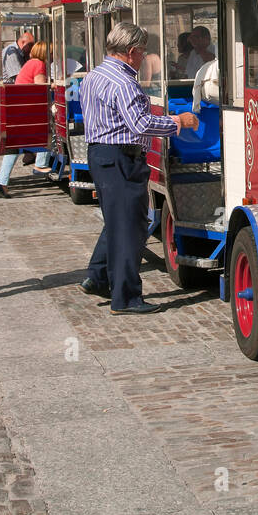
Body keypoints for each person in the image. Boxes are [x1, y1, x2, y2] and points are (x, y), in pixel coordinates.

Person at [78, 22, 197, 314]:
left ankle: (99, 276)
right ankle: (126, 297)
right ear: (131, 52)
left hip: (102, 154)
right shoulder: (123, 81)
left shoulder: (94, 75)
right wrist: (177, 122)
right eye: (142, 51)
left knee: (118, 221)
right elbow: (140, 123)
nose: (144, 56)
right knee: (130, 228)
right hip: (121, 157)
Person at [0, 41, 52, 197]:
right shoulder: (39, 64)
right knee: (49, 130)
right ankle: (40, 165)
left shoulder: (30, 63)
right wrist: (52, 85)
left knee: (13, 147)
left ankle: (2, 181)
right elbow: (40, 87)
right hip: (27, 108)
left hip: (17, 108)